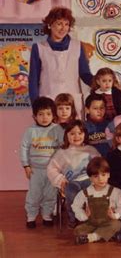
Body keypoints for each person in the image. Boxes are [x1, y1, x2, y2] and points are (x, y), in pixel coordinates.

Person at [28, 6, 93, 115]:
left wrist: (103, 82)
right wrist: (36, 105)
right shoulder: (39, 48)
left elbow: (85, 74)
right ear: (50, 25)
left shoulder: (77, 46)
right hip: (48, 102)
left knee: (73, 131)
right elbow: (33, 81)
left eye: (66, 24)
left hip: (71, 103)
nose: (63, 28)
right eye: (59, 24)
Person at [47, 120, 100, 228]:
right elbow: (51, 169)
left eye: (80, 133)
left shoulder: (91, 150)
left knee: (94, 192)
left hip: (89, 180)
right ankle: (73, 217)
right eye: (72, 133)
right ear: (66, 136)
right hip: (72, 182)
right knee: (71, 192)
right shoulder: (62, 152)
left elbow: (100, 165)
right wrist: (60, 180)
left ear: (85, 134)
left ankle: (92, 216)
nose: (76, 136)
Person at [20, 97, 64, 229]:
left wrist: (61, 166)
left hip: (53, 170)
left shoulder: (58, 129)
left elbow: (63, 148)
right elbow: (24, 148)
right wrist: (26, 165)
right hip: (36, 170)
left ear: (53, 115)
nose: (45, 117)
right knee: (34, 193)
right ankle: (31, 216)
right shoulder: (30, 131)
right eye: (41, 114)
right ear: (34, 116)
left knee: (50, 194)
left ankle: (47, 215)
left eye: (48, 114)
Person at [71, 157, 121, 245]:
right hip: (92, 223)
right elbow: (75, 206)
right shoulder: (85, 193)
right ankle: (105, 235)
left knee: (117, 225)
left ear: (109, 175)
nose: (100, 179)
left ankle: (92, 237)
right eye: (96, 176)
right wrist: (84, 215)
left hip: (109, 222)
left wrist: (115, 215)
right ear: (90, 178)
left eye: (103, 175)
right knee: (78, 230)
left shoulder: (115, 192)